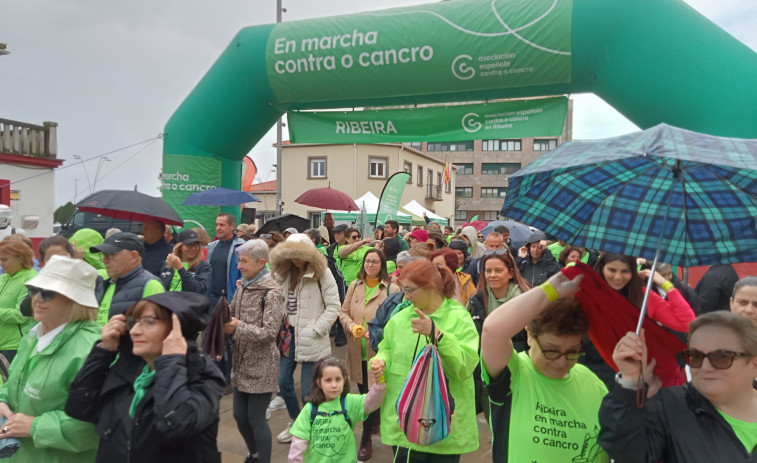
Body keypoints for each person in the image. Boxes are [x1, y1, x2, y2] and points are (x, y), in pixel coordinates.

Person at [66, 292, 226, 462]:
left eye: (149, 322)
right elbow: (78, 408)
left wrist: (171, 361)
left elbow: (176, 426)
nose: (134, 331)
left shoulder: (202, 374)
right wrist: (103, 352)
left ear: (177, 330)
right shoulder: (128, 369)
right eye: (132, 323)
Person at [481, 270, 609, 462]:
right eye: (551, 350)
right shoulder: (514, 374)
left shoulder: (593, 383)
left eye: (573, 351)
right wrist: (551, 288)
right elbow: (492, 330)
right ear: (530, 336)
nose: (562, 361)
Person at [599, 311, 757, 462]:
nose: (705, 367)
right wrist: (631, 380)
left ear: (754, 364)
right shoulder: (670, 406)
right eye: (695, 356)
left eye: (722, 356)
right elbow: (628, 453)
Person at [371, 259, 480, 461]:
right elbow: (386, 347)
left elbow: (464, 367)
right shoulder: (400, 319)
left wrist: (436, 334)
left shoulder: (459, 318)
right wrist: (380, 361)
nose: (406, 296)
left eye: (411, 290)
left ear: (430, 286)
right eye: (404, 289)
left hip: (443, 431)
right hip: (404, 425)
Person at [0, 255, 101, 462]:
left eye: (48, 293)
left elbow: (98, 423)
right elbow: (15, 382)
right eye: (34, 291)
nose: (36, 299)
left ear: (75, 299)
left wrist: (35, 426)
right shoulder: (35, 334)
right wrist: (2, 400)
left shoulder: (93, 350)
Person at [580, 253, 696, 388]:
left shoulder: (644, 296)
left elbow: (687, 323)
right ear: (602, 269)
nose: (618, 277)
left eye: (625, 271)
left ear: (633, 272)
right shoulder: (589, 296)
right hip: (599, 375)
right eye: (612, 270)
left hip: (647, 377)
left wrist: (667, 285)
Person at [269, 234, 341, 444]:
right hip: (287, 334)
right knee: (283, 382)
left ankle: (310, 427)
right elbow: (272, 295)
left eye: (300, 255)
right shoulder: (282, 273)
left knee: (309, 390)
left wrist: (317, 329)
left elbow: (334, 306)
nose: (296, 259)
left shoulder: (322, 273)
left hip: (311, 336)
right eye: (292, 255)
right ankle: (296, 421)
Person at [223, 239, 285, 463]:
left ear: (261, 263)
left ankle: (263, 459)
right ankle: (254, 453)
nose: (239, 266)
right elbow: (230, 314)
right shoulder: (243, 286)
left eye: (244, 261)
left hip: (261, 364)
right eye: (239, 261)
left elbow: (269, 332)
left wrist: (237, 327)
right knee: (239, 415)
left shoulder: (272, 292)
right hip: (240, 361)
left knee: (256, 418)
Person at [338, 248, 396, 460]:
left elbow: (395, 322)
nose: (370, 265)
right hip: (356, 350)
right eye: (367, 261)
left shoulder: (391, 289)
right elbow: (342, 312)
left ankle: (365, 439)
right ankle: (374, 421)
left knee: (372, 392)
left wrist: (379, 332)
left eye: (375, 262)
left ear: (382, 265)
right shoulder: (354, 286)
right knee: (364, 391)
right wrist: (351, 325)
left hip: (377, 352)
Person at [288, 357, 386, 463]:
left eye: (338, 379)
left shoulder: (349, 403)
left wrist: (379, 381)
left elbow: (373, 402)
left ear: (344, 380)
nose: (334, 385)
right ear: (319, 383)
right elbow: (297, 444)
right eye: (328, 380)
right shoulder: (309, 410)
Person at [90, 232, 164, 325]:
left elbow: (156, 328)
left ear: (133, 256)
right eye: (103, 255)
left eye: (111, 254)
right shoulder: (106, 284)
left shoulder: (150, 285)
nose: (104, 260)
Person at [0, 240, 37, 362]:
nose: (1, 264)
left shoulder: (30, 279)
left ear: (21, 258)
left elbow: (21, 315)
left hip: (16, 345)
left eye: (4, 260)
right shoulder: (4, 277)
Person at [206, 213, 245, 306]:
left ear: (232, 226)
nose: (218, 228)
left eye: (222, 225)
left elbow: (245, 274)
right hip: (212, 299)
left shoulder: (242, 246)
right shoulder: (212, 246)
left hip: (232, 300)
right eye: (217, 224)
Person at [158, 229, 211, 294]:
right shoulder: (169, 263)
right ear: (180, 246)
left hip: (190, 303)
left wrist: (180, 269)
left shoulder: (204, 266)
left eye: (196, 245)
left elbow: (198, 289)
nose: (193, 248)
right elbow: (161, 287)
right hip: (167, 302)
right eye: (189, 245)